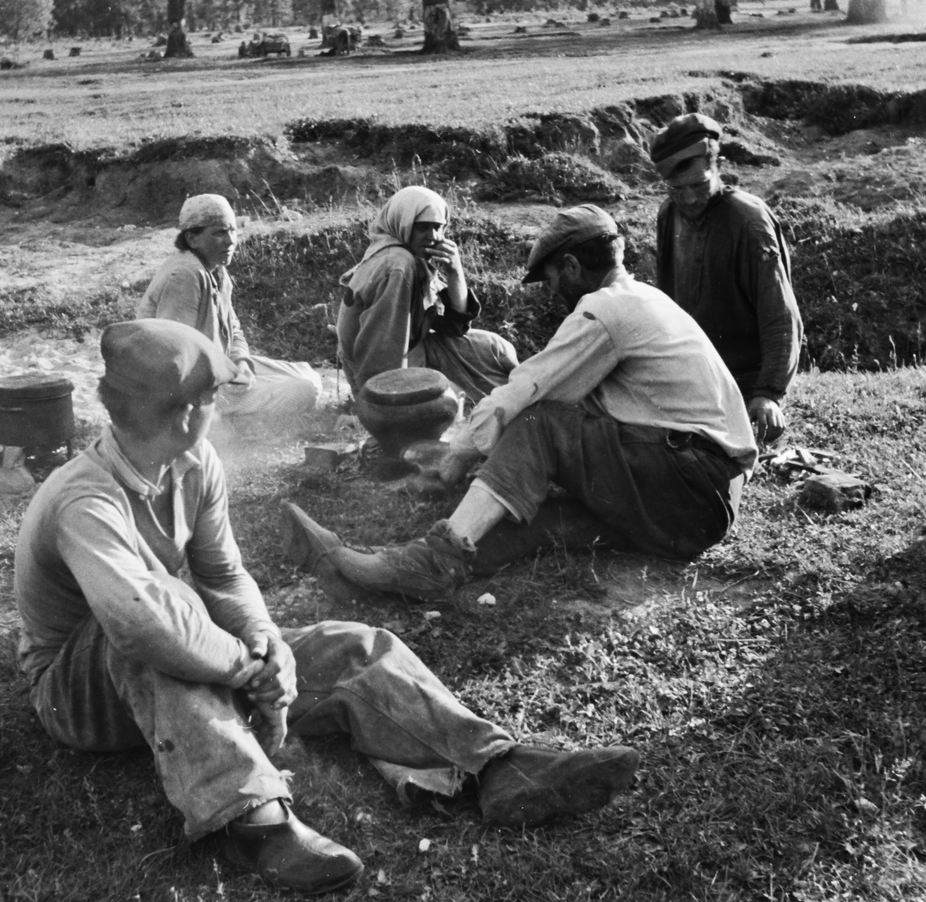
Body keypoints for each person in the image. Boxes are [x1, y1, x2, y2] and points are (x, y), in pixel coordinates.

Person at [14, 318, 639, 894]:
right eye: (211, 400)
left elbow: (225, 574)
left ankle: (494, 765)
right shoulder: (84, 499)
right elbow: (138, 623)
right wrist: (245, 669)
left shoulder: (191, 461)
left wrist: (267, 645)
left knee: (353, 645)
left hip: (175, 649)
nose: (215, 411)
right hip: (75, 694)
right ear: (184, 412)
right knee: (164, 616)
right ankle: (255, 820)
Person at [282, 205, 758, 601]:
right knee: (530, 522)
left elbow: (526, 394)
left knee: (537, 421)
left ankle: (434, 557)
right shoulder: (644, 299)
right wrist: (488, 462)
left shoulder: (606, 310)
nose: (552, 290)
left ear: (571, 266)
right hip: (699, 508)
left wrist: (455, 456)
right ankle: (394, 573)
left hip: (689, 483)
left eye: (551, 277)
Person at [650, 113, 803, 446]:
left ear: (716, 167)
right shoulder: (668, 214)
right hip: (694, 380)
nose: (689, 198)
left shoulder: (748, 220)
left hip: (744, 387)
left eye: (699, 185)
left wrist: (769, 394)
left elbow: (781, 317)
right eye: (677, 189)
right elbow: (668, 301)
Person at [136, 194, 321, 429]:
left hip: (220, 368)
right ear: (192, 238)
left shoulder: (217, 270)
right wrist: (225, 375)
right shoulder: (184, 275)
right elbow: (173, 356)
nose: (230, 241)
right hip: (195, 387)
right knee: (305, 390)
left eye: (233, 231)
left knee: (307, 374)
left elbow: (232, 327)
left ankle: (240, 413)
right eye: (219, 233)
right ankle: (232, 426)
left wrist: (241, 362)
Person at [337, 186, 518, 407]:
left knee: (493, 346)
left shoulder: (412, 259)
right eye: (423, 228)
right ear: (403, 222)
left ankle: (510, 395)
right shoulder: (396, 264)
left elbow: (454, 326)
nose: (432, 237)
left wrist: (454, 272)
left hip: (411, 349)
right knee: (444, 404)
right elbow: (382, 349)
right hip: (379, 367)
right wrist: (383, 402)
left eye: (438, 228)